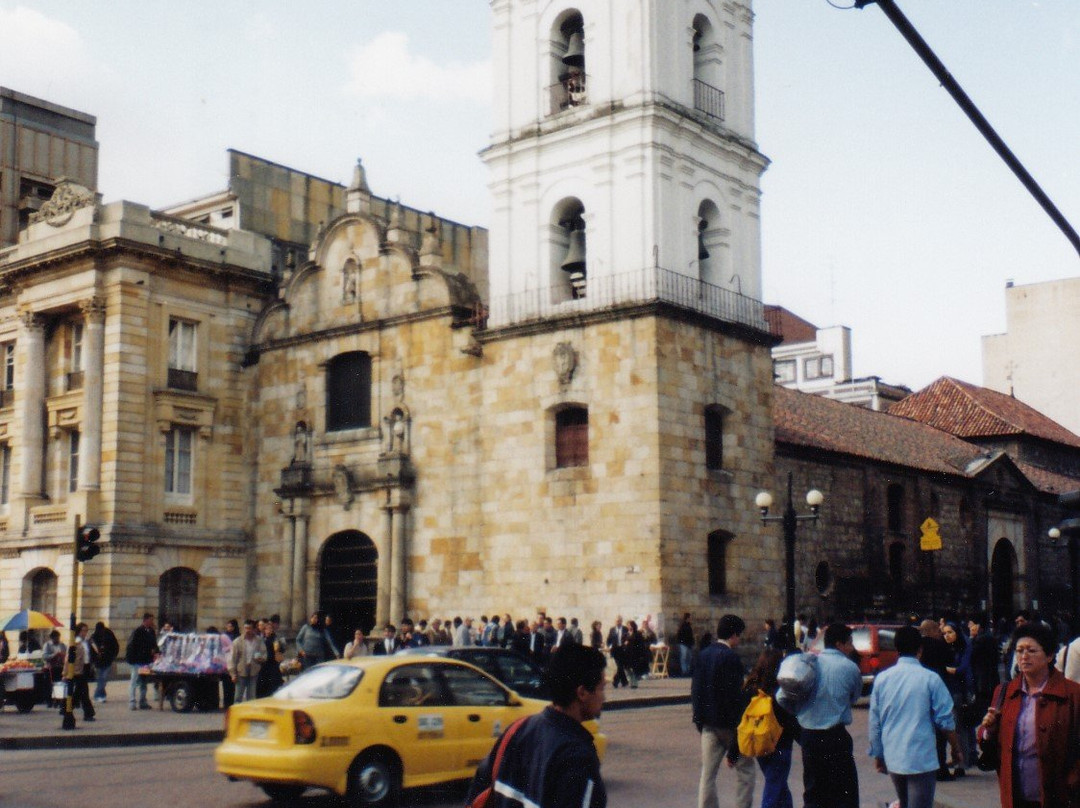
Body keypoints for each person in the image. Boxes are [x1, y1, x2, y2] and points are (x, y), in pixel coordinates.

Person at [465, 642, 607, 808]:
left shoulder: (518, 729)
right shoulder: (577, 756)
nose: (604, 697)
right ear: (582, 693)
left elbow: (478, 791)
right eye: (601, 688)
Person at [979, 621, 1080, 808]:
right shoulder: (1004, 692)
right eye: (1019, 651)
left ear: (1049, 656)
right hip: (1016, 796)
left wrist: (1073, 782)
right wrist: (989, 731)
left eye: (1031, 651)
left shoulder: (1073, 694)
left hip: (1059, 797)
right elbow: (989, 740)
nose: (1024, 656)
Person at [869, 625, 961, 808]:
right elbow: (945, 720)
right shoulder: (930, 678)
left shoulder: (882, 679)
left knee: (904, 803)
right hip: (921, 757)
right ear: (920, 650)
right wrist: (955, 747)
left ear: (897, 649)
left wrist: (878, 754)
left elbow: (875, 722)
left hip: (894, 755)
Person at [794, 622, 862, 808]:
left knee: (814, 789)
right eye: (849, 643)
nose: (851, 648)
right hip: (835, 735)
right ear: (840, 644)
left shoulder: (809, 664)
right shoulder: (850, 668)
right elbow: (854, 697)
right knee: (844, 791)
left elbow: (783, 697)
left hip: (809, 735)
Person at [692, 614, 756, 808]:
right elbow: (735, 699)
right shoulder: (731, 658)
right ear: (734, 635)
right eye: (739, 635)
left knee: (708, 774)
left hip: (708, 724)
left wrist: (700, 721)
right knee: (745, 771)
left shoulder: (703, 655)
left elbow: (696, 691)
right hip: (728, 725)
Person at [743, 648, 799, 808]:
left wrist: (734, 749)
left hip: (760, 745)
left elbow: (742, 719)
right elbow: (791, 723)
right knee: (774, 789)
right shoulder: (780, 692)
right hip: (781, 746)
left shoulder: (751, 689)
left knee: (779, 786)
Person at [942, 621, 974, 777]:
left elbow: (963, 668)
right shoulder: (947, 648)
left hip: (960, 691)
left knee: (960, 727)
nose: (947, 636)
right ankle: (960, 758)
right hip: (950, 690)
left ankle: (963, 762)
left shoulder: (964, 647)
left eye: (950, 632)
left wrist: (948, 669)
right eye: (945, 633)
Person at [126, 612, 159, 710]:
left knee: (143, 681)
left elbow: (154, 644)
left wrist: (156, 651)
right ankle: (132, 701)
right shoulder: (138, 631)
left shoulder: (151, 631)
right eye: (151, 620)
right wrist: (132, 659)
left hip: (146, 662)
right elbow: (131, 646)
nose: (152, 622)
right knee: (134, 681)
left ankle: (143, 701)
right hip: (137, 662)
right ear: (146, 620)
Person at [228, 619, 266, 703]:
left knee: (252, 696)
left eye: (250, 628)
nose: (248, 631)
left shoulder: (258, 641)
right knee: (238, 696)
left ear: (253, 629)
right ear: (243, 629)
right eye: (246, 628)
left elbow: (264, 654)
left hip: (254, 671)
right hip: (241, 671)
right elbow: (232, 659)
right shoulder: (237, 642)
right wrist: (233, 674)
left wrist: (261, 658)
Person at [69, 622, 96, 721]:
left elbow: (89, 654)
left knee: (80, 691)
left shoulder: (86, 642)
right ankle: (88, 713)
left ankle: (68, 707)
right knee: (83, 691)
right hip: (79, 669)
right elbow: (73, 657)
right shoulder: (76, 642)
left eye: (86, 631)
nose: (85, 633)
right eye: (83, 631)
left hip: (86, 667)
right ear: (79, 631)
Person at [90, 620, 119, 703]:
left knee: (104, 679)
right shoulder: (94, 637)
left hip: (108, 660)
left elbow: (115, 646)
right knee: (101, 679)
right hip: (98, 662)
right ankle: (100, 695)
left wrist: (113, 656)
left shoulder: (109, 635)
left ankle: (98, 694)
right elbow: (91, 650)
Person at [255, 620, 284, 698]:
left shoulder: (275, 639)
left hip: (273, 665)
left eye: (270, 629)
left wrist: (280, 647)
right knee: (261, 686)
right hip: (263, 665)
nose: (268, 631)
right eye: (266, 629)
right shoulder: (261, 639)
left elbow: (281, 650)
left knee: (273, 685)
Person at [41, 630, 67, 705]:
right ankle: (49, 701)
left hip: (60, 667)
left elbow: (65, 654)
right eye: (55, 638)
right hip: (50, 667)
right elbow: (45, 656)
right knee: (50, 684)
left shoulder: (62, 645)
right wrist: (54, 655)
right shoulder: (47, 645)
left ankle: (59, 700)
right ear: (52, 638)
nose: (57, 640)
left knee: (59, 684)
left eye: (58, 638)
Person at [623, 619, 649, 689]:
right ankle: (631, 680)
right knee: (627, 668)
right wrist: (625, 643)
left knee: (634, 669)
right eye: (628, 625)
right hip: (627, 653)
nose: (629, 626)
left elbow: (640, 643)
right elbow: (623, 641)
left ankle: (634, 683)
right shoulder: (626, 634)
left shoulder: (637, 633)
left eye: (630, 625)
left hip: (635, 653)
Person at [607, 616, 629, 688]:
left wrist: (627, 642)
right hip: (615, 650)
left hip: (623, 649)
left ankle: (619, 681)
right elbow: (609, 639)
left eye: (619, 621)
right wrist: (609, 646)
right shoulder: (612, 629)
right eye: (617, 621)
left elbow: (628, 637)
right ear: (615, 622)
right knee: (620, 666)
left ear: (621, 621)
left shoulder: (625, 629)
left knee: (621, 666)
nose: (618, 622)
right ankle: (623, 681)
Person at [677, 613, 695, 678]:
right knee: (684, 657)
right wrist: (681, 641)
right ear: (687, 618)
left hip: (688, 644)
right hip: (684, 643)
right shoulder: (683, 626)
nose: (691, 619)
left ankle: (687, 670)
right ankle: (684, 671)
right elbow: (680, 635)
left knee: (688, 658)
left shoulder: (689, 626)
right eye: (690, 617)